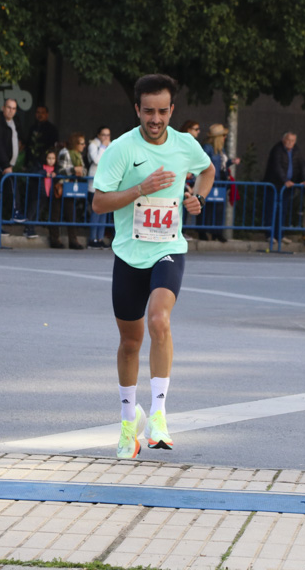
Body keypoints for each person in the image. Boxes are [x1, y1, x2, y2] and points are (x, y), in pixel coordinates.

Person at [91, 74, 215, 459]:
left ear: (172, 110)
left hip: (168, 248)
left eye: (163, 111)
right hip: (129, 253)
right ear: (137, 110)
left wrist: (198, 197)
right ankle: (130, 422)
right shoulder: (121, 150)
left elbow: (207, 170)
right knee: (130, 342)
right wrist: (140, 189)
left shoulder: (185, 145)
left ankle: (159, 415)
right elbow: (99, 202)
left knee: (159, 320)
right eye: (148, 111)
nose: (156, 119)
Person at [263, 132, 305, 245]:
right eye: (288, 140)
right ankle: (270, 235)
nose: (290, 142)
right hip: (275, 185)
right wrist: (284, 180)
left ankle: (280, 234)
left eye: (293, 140)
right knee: (272, 210)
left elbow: (301, 165)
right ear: (283, 139)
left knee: (283, 211)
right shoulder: (277, 150)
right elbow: (277, 167)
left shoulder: (296, 150)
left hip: (287, 187)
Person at [0, 98, 24, 224]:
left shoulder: (15, 122)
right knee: (11, 186)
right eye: (8, 107)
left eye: (14, 108)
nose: (11, 111)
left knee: (0, 195)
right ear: (3, 108)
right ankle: (16, 212)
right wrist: (5, 164)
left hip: (9, 164)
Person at [199, 123, 238, 243]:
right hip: (210, 181)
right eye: (223, 135)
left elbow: (222, 164)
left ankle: (217, 232)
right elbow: (204, 164)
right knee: (207, 208)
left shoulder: (221, 149)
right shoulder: (207, 148)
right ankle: (203, 231)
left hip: (220, 182)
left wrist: (230, 161)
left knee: (219, 208)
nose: (225, 137)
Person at [51, 133, 87, 249]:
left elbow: (84, 170)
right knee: (56, 213)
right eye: (81, 143)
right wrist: (73, 170)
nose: (84, 146)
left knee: (71, 214)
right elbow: (60, 170)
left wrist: (81, 172)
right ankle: (54, 239)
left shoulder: (78, 155)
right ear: (75, 144)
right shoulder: (64, 152)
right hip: (61, 186)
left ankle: (73, 240)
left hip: (72, 187)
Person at [86, 126, 113, 248]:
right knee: (96, 211)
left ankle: (100, 238)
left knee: (104, 213)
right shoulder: (94, 145)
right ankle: (92, 239)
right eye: (104, 135)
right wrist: (102, 146)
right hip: (95, 183)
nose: (106, 138)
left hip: (107, 183)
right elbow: (97, 160)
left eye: (108, 135)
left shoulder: (112, 145)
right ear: (98, 135)